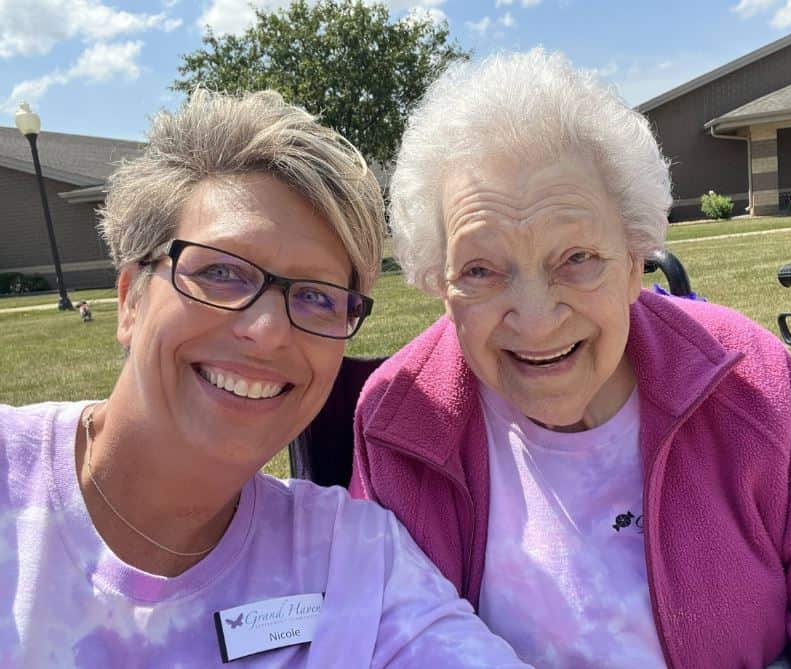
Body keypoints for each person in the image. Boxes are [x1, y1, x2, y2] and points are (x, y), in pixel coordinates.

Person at [0, 90, 532, 668]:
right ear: (131, 301)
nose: (268, 331)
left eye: (317, 297)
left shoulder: (352, 562)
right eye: (221, 271)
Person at [350, 50, 791, 668]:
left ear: (634, 260)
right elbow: (380, 636)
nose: (535, 319)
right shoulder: (400, 421)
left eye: (576, 258)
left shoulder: (747, 380)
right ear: (438, 283)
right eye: (479, 270)